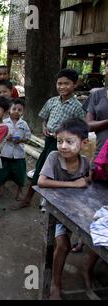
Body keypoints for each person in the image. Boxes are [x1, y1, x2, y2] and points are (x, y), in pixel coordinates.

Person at [13, 69, 86, 210]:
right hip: (49, 141)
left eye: (67, 83)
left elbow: (80, 129)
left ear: (75, 84)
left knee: (56, 172)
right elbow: (44, 119)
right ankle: (29, 198)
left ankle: (50, 203)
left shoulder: (78, 107)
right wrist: (45, 127)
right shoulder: (52, 101)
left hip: (63, 146)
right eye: (59, 83)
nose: (62, 87)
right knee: (41, 167)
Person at [37, 118, 91, 300]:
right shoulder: (53, 157)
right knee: (63, 245)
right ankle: (55, 284)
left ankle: (87, 270)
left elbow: (88, 183)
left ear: (84, 144)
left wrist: (85, 182)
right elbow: (42, 182)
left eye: (69, 141)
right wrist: (74, 185)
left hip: (74, 211)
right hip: (54, 211)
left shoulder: (85, 163)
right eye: (60, 141)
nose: (63, 146)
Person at [81, 63, 108, 287]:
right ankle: (82, 242)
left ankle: (91, 262)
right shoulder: (97, 94)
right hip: (98, 157)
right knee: (89, 206)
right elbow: (88, 125)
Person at [0, 99, 31, 200]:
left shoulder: (24, 124)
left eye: (19, 110)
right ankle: (1, 189)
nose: (16, 111)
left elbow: (28, 138)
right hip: (5, 153)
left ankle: (20, 192)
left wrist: (21, 140)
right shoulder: (4, 122)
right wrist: (5, 137)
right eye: (14, 109)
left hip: (18, 154)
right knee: (2, 173)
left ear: (23, 111)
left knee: (20, 174)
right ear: (9, 110)